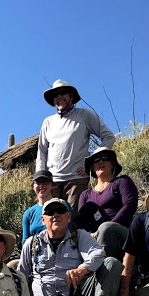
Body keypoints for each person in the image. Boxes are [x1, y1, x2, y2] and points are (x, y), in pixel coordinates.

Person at [35, 79, 116, 213]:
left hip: (76, 180)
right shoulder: (48, 122)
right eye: (55, 95)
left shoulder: (84, 115)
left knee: (72, 219)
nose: (59, 97)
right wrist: (41, 178)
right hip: (52, 181)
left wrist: (91, 164)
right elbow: (42, 151)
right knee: (51, 219)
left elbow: (108, 136)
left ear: (71, 96)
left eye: (63, 93)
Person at [76, 147, 138, 261]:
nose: (100, 162)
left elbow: (130, 205)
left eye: (105, 158)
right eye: (96, 160)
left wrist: (106, 228)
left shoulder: (121, 182)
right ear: (92, 167)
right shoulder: (85, 194)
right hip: (94, 238)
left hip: (122, 234)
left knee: (106, 228)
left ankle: (105, 269)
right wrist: (90, 233)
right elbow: (81, 221)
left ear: (113, 164)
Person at [22, 169, 56, 244]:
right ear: (33, 186)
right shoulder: (28, 213)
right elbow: (25, 241)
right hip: (37, 253)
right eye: (38, 182)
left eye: (45, 182)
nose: (41, 186)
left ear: (52, 185)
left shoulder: (63, 206)